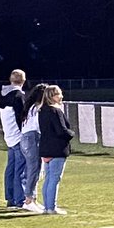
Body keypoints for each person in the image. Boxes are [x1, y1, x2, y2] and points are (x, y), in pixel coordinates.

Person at [38, 85, 74, 215]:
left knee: (48, 179)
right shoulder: (55, 111)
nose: (61, 96)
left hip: (46, 147)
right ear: (51, 96)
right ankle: (51, 207)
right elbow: (61, 131)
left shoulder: (42, 111)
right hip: (57, 148)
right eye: (58, 94)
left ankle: (47, 206)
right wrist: (71, 134)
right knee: (54, 179)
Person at [0, 69, 28, 208]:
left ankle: (10, 197)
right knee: (20, 169)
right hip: (18, 136)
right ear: (23, 80)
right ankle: (19, 199)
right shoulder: (18, 96)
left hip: (9, 135)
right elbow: (20, 118)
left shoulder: (3, 95)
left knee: (11, 168)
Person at [19, 83, 47, 213]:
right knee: (33, 170)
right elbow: (38, 126)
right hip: (32, 138)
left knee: (34, 169)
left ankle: (33, 199)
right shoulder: (37, 108)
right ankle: (29, 200)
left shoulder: (30, 107)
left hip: (26, 138)